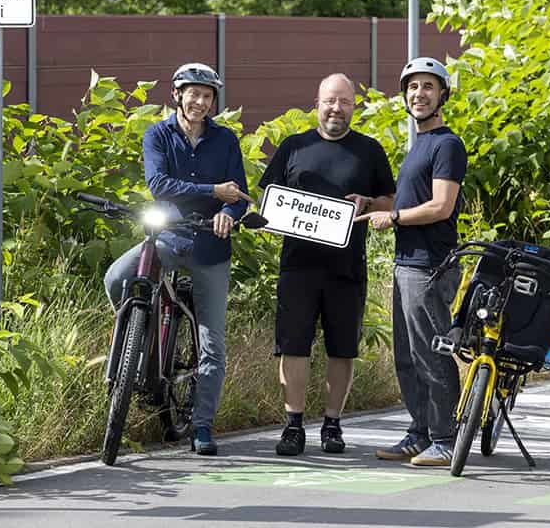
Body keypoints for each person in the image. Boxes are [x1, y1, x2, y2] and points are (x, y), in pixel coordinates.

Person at [103, 62, 252, 456]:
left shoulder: (226, 141)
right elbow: (159, 184)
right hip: (168, 237)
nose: (200, 102)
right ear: (177, 95)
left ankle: (202, 426)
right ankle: (135, 344)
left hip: (210, 248)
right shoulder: (157, 134)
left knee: (211, 342)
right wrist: (212, 190)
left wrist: (228, 212)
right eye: (194, 94)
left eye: (207, 96)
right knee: (117, 277)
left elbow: (238, 194)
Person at [258, 73, 396, 456]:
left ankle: (333, 425)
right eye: (330, 101)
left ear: (354, 106)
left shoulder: (370, 150)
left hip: (347, 266)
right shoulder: (293, 147)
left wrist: (367, 203)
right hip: (298, 265)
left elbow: (390, 201)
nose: (337, 108)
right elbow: (269, 200)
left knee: (342, 348)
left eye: (345, 102)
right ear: (316, 104)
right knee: (293, 346)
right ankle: (294, 426)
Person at [356, 56, 467, 467]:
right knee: (406, 355)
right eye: (412, 87)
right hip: (408, 262)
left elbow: (441, 206)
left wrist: (396, 216)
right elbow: (404, 199)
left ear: (442, 95)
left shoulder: (447, 144)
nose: (418, 94)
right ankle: (419, 432)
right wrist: (371, 203)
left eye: (427, 87)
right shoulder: (419, 144)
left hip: (430, 264)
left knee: (431, 353)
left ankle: (445, 439)